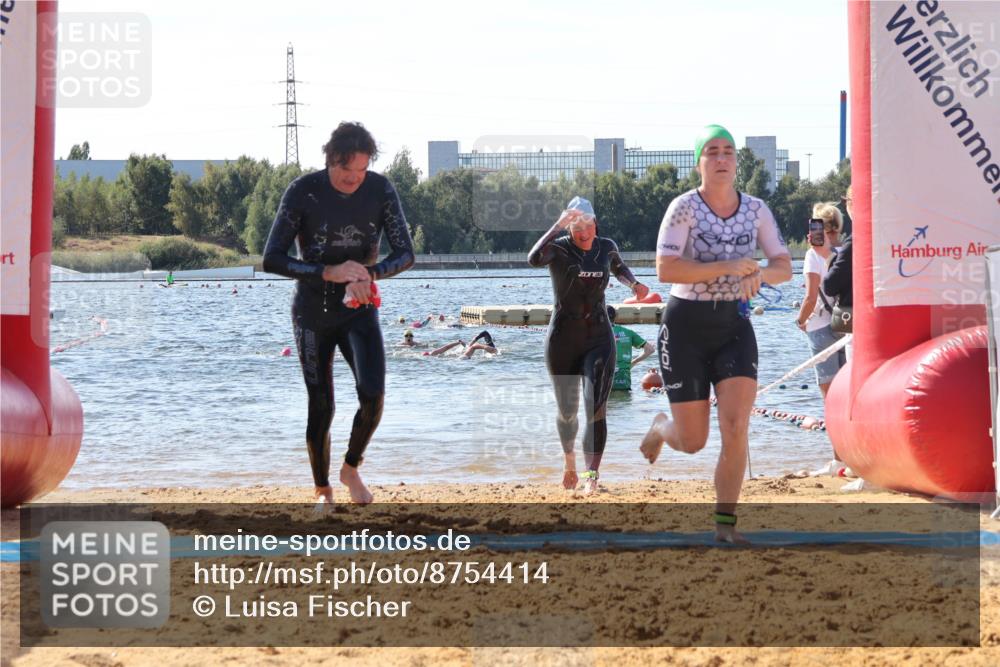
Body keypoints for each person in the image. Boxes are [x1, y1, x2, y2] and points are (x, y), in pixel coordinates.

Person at [639, 124, 792, 542]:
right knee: (692, 442)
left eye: (728, 152)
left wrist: (759, 275)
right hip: (685, 325)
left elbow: (784, 265)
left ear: (736, 162)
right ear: (699, 163)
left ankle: (726, 526)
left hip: (733, 327)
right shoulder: (684, 207)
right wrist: (727, 267)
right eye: (712, 152)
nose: (722, 159)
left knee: (736, 425)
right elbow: (665, 270)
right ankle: (659, 426)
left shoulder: (757, 209)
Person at [263, 121, 414, 505]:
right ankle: (323, 489)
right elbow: (271, 259)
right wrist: (327, 272)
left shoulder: (380, 190)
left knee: (374, 394)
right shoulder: (303, 192)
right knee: (322, 404)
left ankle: (350, 468)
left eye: (362, 170)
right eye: (347, 171)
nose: (354, 179)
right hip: (312, 312)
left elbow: (406, 254)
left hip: (358, 309)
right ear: (331, 161)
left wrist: (370, 273)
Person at [528, 196, 649, 495]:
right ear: (569, 228)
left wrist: (634, 285)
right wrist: (557, 225)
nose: (583, 233)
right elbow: (533, 258)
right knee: (567, 412)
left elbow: (619, 267)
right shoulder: (557, 248)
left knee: (595, 407)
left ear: (596, 224)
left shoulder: (605, 246)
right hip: (562, 340)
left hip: (598, 337)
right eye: (576, 228)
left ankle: (591, 474)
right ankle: (570, 462)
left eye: (588, 226)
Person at [795, 202, 846, 399]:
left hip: (820, 325)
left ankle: (831, 428)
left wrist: (800, 321)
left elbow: (810, 297)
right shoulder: (847, 251)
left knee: (828, 390)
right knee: (846, 383)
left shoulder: (812, 255)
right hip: (846, 321)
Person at [824, 186, 854, 359]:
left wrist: (829, 258)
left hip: (853, 319)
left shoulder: (853, 242)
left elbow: (830, 285)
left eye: (847, 202)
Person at [607, 306, 654, 391]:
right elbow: (650, 350)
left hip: (604, 380)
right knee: (624, 403)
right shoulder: (628, 332)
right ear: (616, 316)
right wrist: (633, 363)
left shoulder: (595, 334)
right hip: (624, 381)